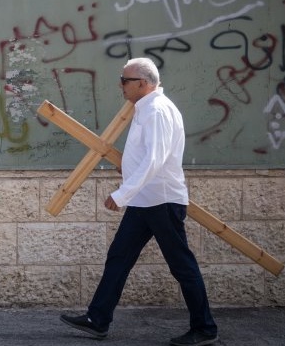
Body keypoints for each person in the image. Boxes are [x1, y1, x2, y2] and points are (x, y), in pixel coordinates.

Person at [60, 58, 218, 346]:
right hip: (145, 202)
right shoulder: (145, 108)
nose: (120, 85)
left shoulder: (157, 110)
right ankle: (98, 319)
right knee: (119, 258)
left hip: (162, 202)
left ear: (142, 83)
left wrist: (122, 194)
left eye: (125, 80)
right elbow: (146, 156)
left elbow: (155, 160)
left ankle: (205, 328)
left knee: (182, 266)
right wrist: (129, 174)